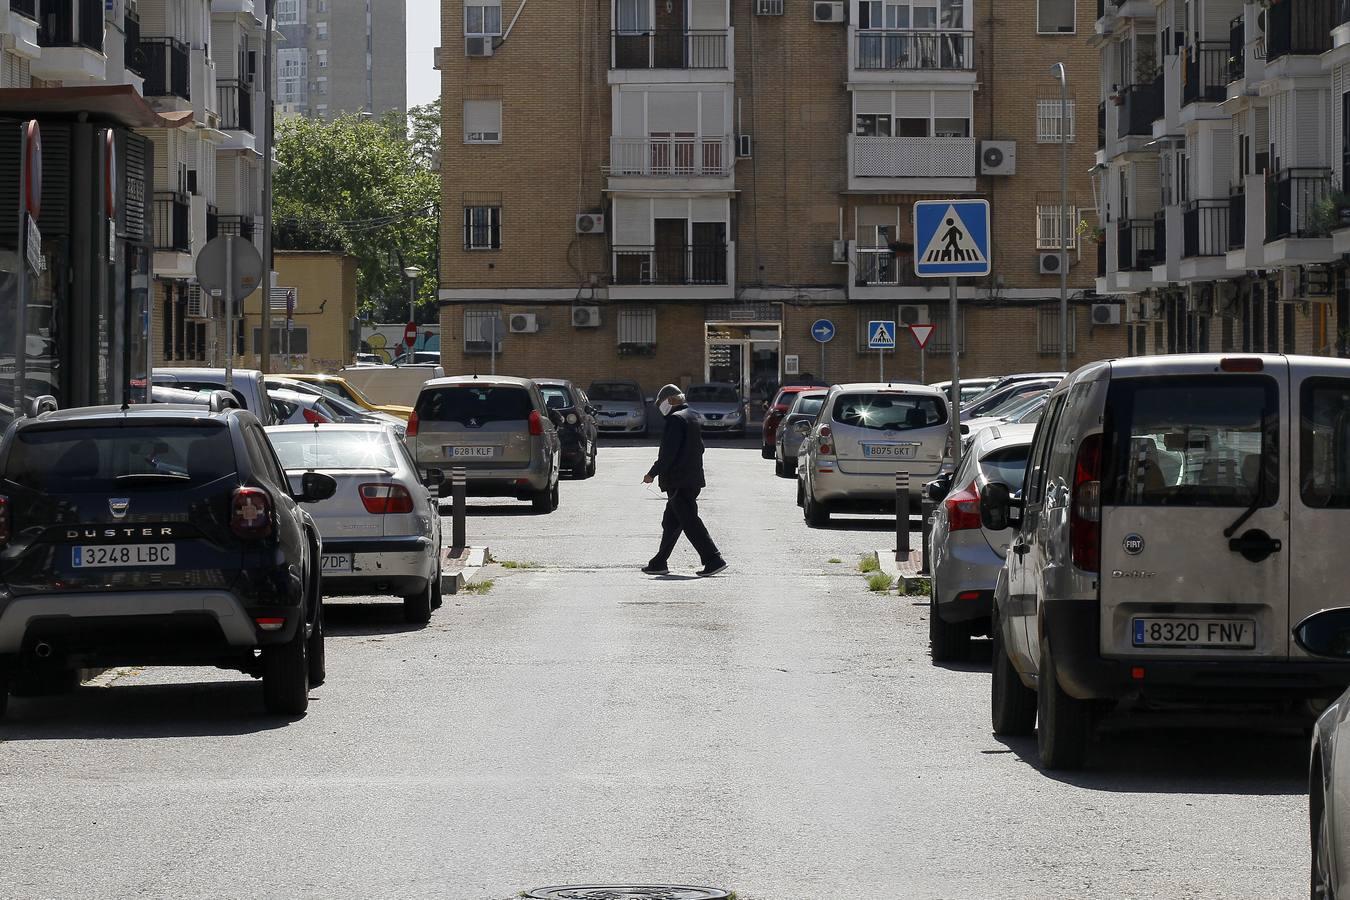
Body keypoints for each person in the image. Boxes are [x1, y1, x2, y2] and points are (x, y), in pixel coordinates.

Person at [642, 384, 727, 577]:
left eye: (661, 403)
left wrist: (652, 473)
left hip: (679, 481)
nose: (660, 407)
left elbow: (668, 454)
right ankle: (659, 562)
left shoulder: (675, 420)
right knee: (671, 522)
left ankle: (713, 559)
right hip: (692, 479)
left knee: (690, 522)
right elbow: (701, 448)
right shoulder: (692, 416)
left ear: (671, 400)